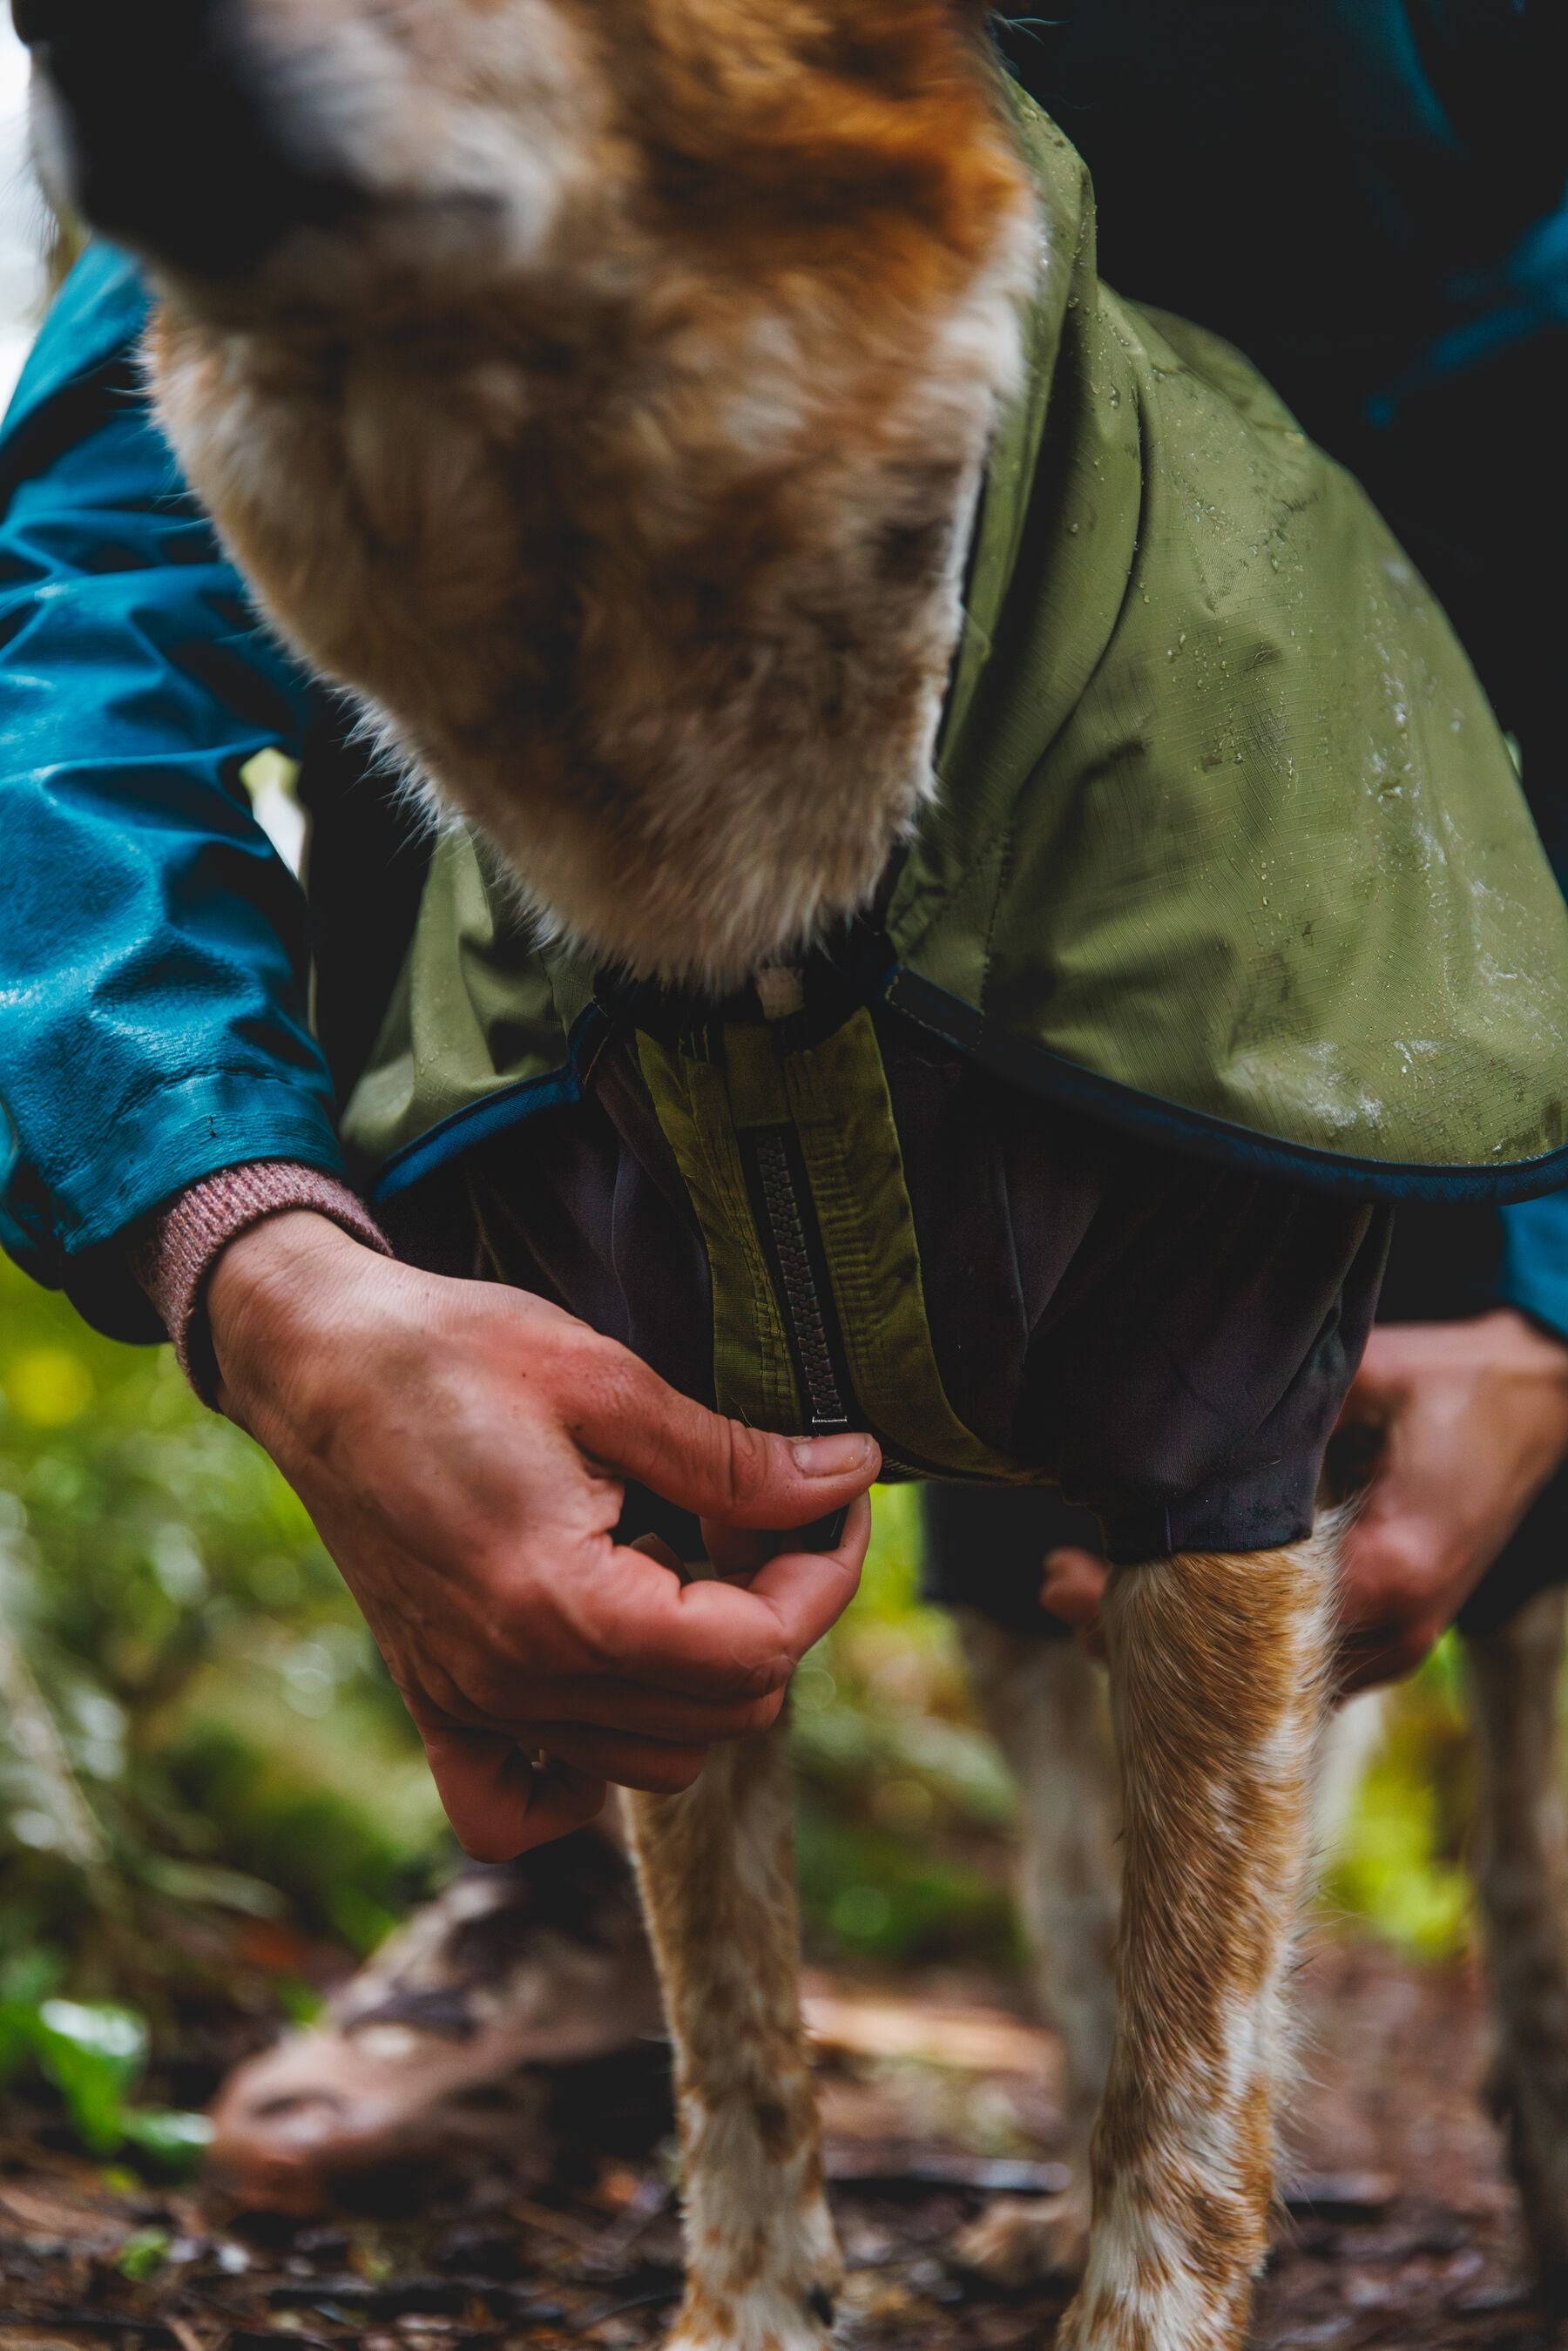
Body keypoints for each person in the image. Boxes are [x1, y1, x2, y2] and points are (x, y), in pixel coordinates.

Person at [0, 0, 1564, 2204]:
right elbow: (87, 608)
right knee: (420, 475)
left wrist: (1531, 1273)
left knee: (1351, 1431)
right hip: (688, 901)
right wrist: (245, 1246)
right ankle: (577, 1854)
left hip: (1340, 681)